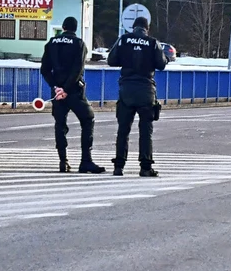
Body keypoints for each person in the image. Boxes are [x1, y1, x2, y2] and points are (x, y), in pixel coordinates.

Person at [40, 16, 104, 174]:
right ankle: (86, 161)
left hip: (57, 93)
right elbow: (77, 69)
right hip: (74, 91)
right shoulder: (79, 44)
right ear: (75, 29)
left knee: (60, 125)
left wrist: (56, 87)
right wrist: (66, 89)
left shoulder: (51, 43)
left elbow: (45, 69)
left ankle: (63, 161)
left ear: (63, 27)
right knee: (88, 120)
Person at [107, 16, 168, 176]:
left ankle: (119, 166)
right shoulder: (153, 42)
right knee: (146, 130)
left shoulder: (124, 40)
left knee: (123, 129)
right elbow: (161, 64)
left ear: (133, 28)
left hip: (126, 90)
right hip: (146, 91)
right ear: (147, 28)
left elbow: (111, 60)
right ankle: (145, 167)